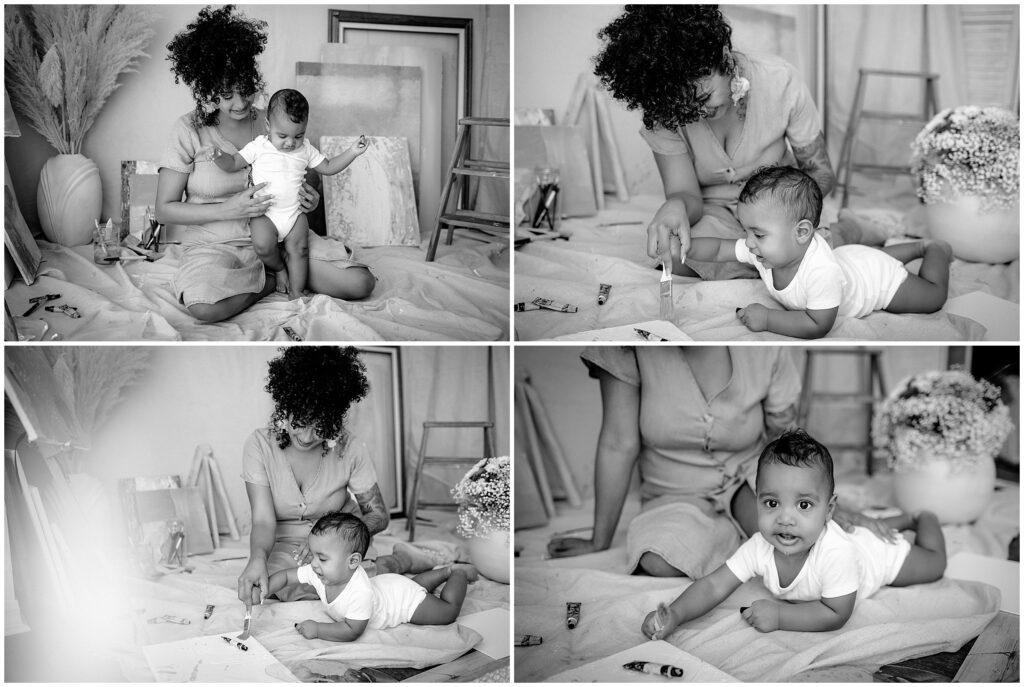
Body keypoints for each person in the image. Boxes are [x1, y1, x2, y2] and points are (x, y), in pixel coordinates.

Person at [547, 346, 896, 578]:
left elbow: (787, 440)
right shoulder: (628, 344)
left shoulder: (763, 342)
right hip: (673, 490)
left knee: (809, 542)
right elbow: (617, 443)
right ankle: (738, 537)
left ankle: (744, 529)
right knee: (657, 559)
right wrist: (598, 540)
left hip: (750, 480)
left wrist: (825, 507)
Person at [593, 6, 865, 281]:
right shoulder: (662, 114)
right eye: (683, 110)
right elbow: (687, 196)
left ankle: (849, 230)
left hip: (782, 206)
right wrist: (676, 205)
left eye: (703, 98)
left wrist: (781, 213)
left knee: (792, 251)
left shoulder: (780, 80)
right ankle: (770, 262)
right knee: (676, 256)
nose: (697, 115)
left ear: (724, 57)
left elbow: (821, 173)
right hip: (716, 213)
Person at [158, 5, 375, 323]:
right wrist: (227, 209)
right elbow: (164, 209)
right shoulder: (188, 129)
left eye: (246, 88)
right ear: (206, 87)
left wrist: (309, 197)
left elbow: (302, 167)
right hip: (218, 245)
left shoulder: (273, 122)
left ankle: (280, 268)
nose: (240, 102)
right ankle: (274, 279)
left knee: (361, 282)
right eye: (227, 93)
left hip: (281, 237)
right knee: (205, 307)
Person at [642, 429, 946, 636]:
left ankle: (919, 517)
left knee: (933, 564)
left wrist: (779, 617)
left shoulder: (836, 553)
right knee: (856, 531)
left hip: (875, 557)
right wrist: (675, 615)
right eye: (772, 503)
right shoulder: (759, 545)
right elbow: (713, 586)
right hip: (842, 535)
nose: (785, 518)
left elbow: (837, 612)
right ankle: (893, 520)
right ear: (757, 499)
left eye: (803, 504)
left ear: (829, 510)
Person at [237, 346, 436, 609]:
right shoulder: (259, 445)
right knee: (276, 583)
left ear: (334, 419)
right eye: (301, 421)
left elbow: (378, 515)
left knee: (346, 582)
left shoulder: (350, 448)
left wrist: (335, 536)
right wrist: (257, 559)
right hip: (285, 546)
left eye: (320, 426)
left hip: (339, 543)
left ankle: (399, 561)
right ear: (285, 406)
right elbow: (262, 519)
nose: (307, 437)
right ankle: (381, 567)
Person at [685, 167, 952, 338]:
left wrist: (767, 319)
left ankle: (932, 247)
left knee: (933, 297)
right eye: (746, 232)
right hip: (854, 258)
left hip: (880, 283)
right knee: (870, 256)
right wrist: (687, 246)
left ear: (801, 233)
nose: (749, 242)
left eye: (758, 234)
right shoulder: (763, 251)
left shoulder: (821, 272)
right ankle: (913, 246)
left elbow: (818, 324)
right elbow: (721, 248)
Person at [213, 88, 368, 299]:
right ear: (268, 126)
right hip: (265, 214)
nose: (290, 142)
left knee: (300, 250)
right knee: (263, 245)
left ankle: (296, 291)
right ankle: (278, 269)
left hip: (294, 215)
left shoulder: (305, 149)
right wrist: (218, 156)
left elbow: (329, 167)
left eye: (299, 135)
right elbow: (232, 164)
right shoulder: (259, 146)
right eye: (282, 135)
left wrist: (353, 152)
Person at [267, 512, 477, 642]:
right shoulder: (317, 571)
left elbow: (351, 631)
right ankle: (442, 571)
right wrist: (266, 587)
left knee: (446, 611)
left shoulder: (360, 592)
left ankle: (456, 572)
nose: (312, 563)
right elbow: (286, 577)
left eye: (322, 558)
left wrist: (318, 629)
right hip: (392, 586)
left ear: (352, 562)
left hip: (403, 602)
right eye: (312, 555)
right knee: (413, 586)